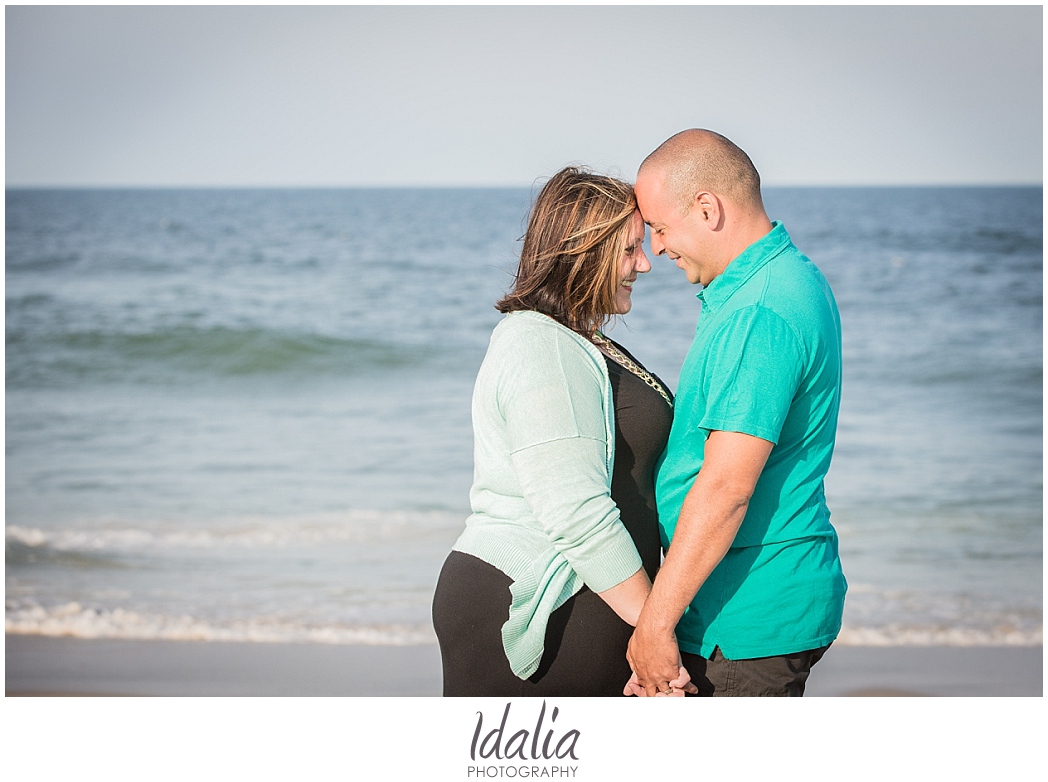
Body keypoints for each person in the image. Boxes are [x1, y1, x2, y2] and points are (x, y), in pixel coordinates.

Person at [432, 167, 694, 696]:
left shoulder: (579, 340)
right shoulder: (542, 345)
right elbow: (575, 511)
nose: (644, 264)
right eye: (628, 250)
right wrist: (653, 630)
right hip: (538, 598)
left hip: (585, 595)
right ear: (584, 252)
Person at [625, 129, 847, 697]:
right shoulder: (787, 278)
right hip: (755, 601)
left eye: (659, 227)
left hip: (746, 618)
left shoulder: (761, 311)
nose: (656, 247)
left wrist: (654, 624)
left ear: (707, 208)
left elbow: (726, 487)